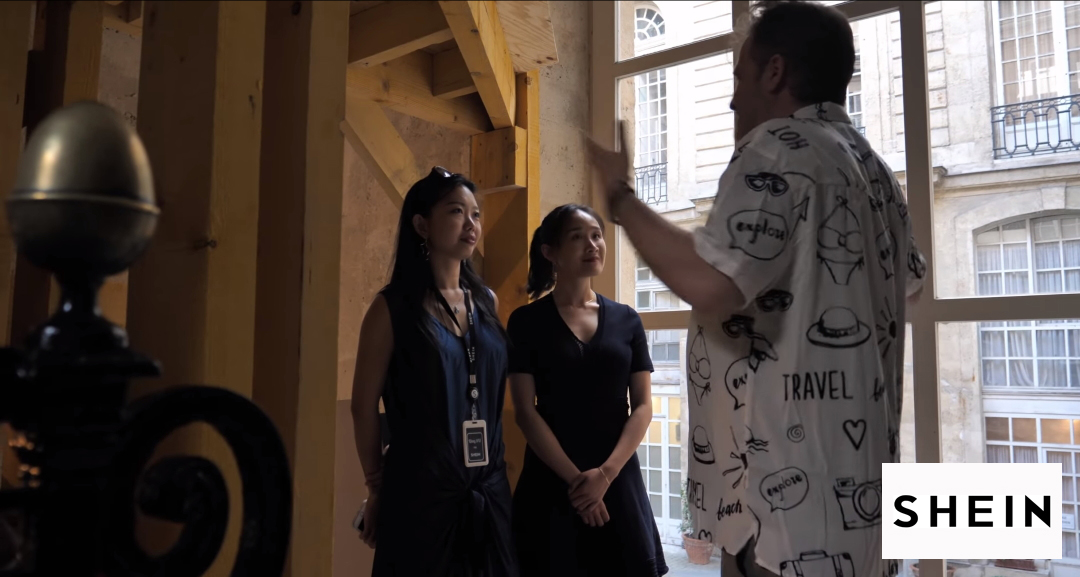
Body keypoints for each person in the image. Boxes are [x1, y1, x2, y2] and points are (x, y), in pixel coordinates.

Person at [586, 3, 927, 577]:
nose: (731, 99)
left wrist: (620, 198)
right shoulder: (874, 171)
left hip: (780, 524)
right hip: (860, 520)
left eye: (738, 78)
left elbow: (711, 281)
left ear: (773, 73)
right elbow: (909, 287)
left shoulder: (777, 145)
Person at [350, 167, 519, 576]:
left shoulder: (487, 300)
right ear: (422, 224)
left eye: (476, 214)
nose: (471, 223)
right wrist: (376, 488)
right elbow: (362, 406)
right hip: (420, 492)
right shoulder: (391, 308)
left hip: (488, 486)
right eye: (457, 211)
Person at [506, 204, 669, 577]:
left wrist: (605, 476)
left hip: (618, 478)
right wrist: (579, 484)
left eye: (596, 235)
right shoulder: (526, 322)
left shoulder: (628, 319)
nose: (592, 244)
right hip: (551, 482)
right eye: (577, 237)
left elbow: (643, 406)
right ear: (550, 252)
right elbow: (525, 412)